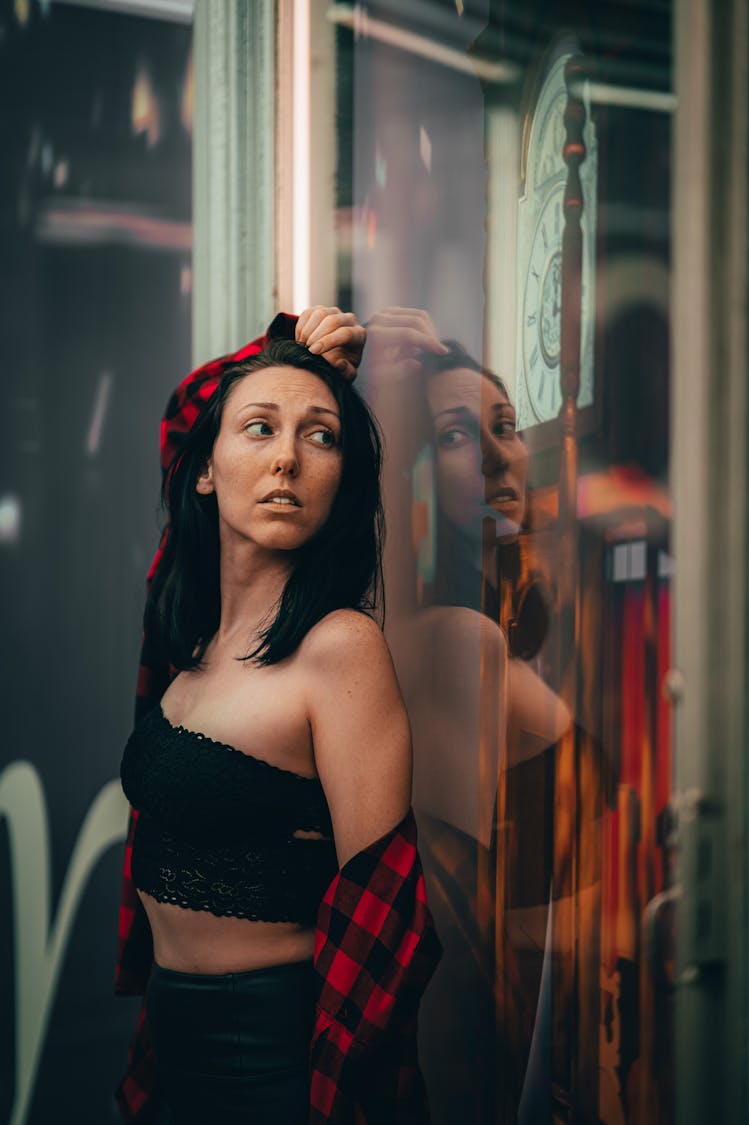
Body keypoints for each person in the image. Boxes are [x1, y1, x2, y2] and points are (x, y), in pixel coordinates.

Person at [115, 308, 442, 1125]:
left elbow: (387, 925)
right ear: (205, 469)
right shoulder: (187, 636)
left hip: (269, 1069)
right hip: (169, 1049)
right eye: (258, 429)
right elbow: (183, 411)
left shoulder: (340, 648)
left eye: (322, 436)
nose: (288, 458)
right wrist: (291, 340)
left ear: (343, 482)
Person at [365, 309, 571, 1123]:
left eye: (506, 425)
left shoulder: (516, 630)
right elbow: (468, 959)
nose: (497, 454)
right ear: (412, 475)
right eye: (454, 436)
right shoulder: (453, 644)